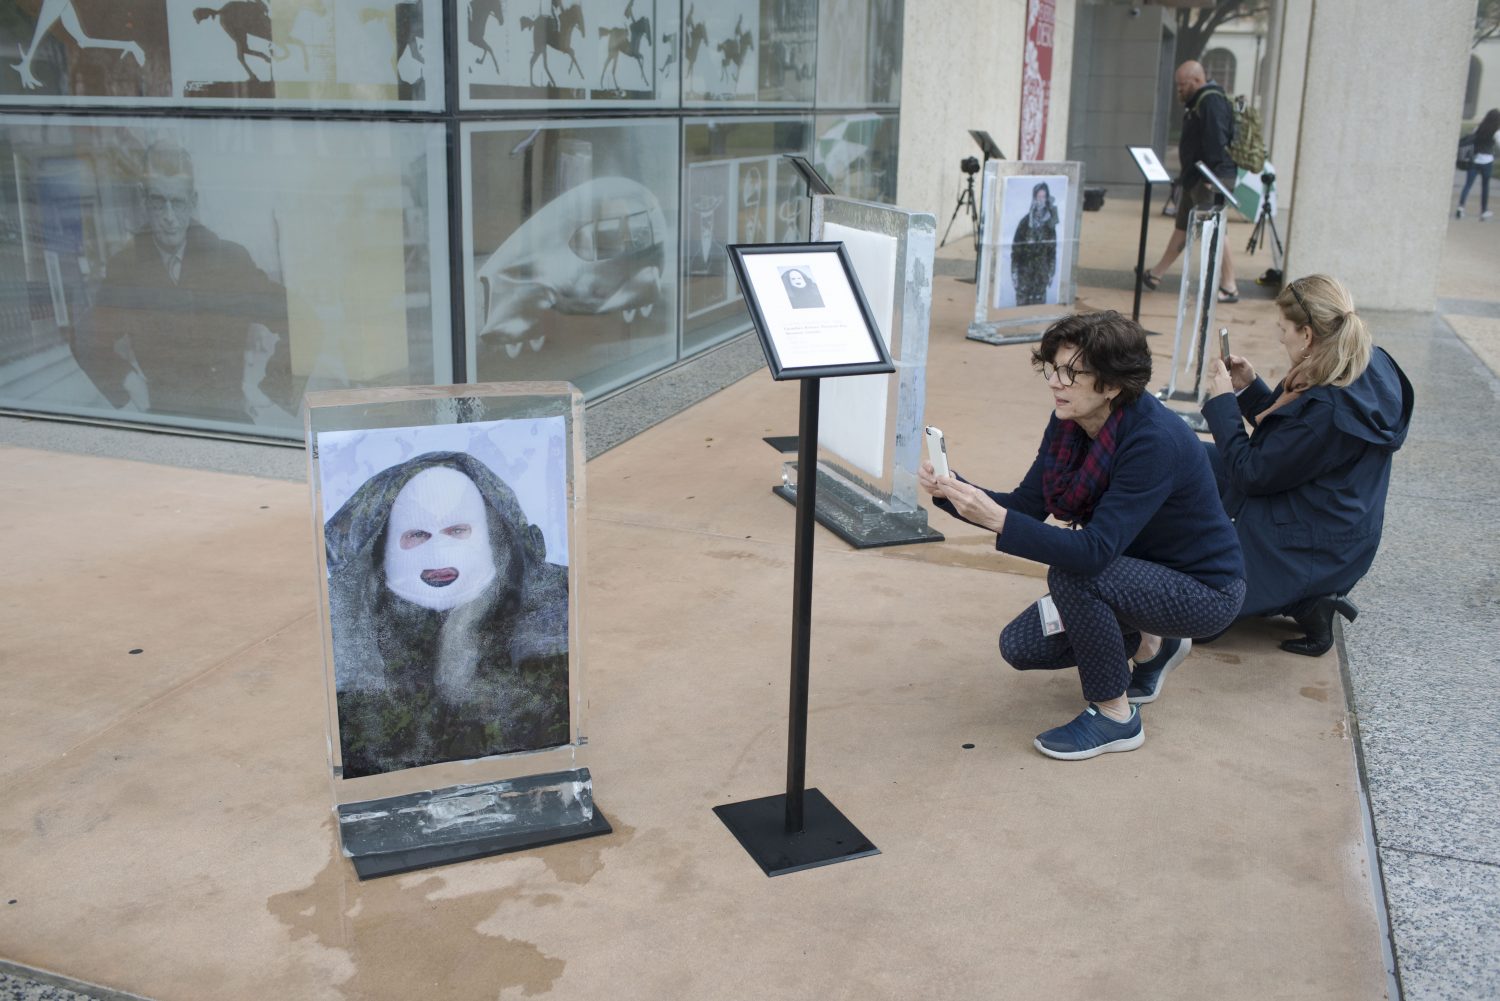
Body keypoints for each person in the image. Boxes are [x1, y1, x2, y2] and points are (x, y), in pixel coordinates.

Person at [920, 311, 1245, 760]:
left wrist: (996, 520)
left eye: (1071, 373)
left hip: (1203, 590)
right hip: (1133, 573)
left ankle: (1116, 716)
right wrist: (956, 492)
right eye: (1053, 368)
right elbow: (1027, 506)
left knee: (1074, 575)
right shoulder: (1070, 421)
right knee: (1020, 646)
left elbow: (1092, 553)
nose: (1056, 382)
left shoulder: (1153, 440)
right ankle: (1154, 647)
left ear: (1112, 384)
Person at [1192, 274, 1413, 656]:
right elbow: (1293, 445)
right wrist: (1249, 389)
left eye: (1284, 330)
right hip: (1330, 521)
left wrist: (1224, 402)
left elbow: (1253, 472)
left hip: (1311, 540)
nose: (1281, 338)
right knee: (1188, 457)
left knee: (1194, 618)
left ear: (1308, 335)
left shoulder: (1329, 408)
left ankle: (1304, 597)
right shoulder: (1361, 358)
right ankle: (1306, 599)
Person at [324, 451, 571, 778]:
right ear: (385, 544)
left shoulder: (548, 605)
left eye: (456, 530)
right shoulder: (350, 621)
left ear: (489, 533)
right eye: (417, 534)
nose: (438, 552)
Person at [72, 141, 296, 426]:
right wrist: (132, 384)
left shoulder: (230, 261)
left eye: (177, 203)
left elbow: (299, 320)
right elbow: (84, 338)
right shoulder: (127, 269)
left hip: (228, 423)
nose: (168, 217)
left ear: (193, 202)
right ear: (144, 200)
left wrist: (273, 389)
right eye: (158, 201)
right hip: (165, 423)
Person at [1140, 61, 1240, 303]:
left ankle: (1229, 286)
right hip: (1196, 176)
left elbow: (1216, 139)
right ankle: (1156, 274)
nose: (1179, 90)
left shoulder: (1211, 101)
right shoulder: (1199, 101)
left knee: (1216, 229)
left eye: (1182, 85)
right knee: (1184, 226)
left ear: (1196, 81)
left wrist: (1211, 178)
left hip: (1209, 177)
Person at [1010, 181, 1059, 306]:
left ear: (1047, 198)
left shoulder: (1050, 225)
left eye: (1043, 197)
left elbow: (1052, 251)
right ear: (1034, 198)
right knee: (1020, 309)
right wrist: (1014, 273)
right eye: (1038, 197)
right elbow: (1015, 251)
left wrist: (1051, 273)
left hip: (1041, 277)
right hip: (1024, 277)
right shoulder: (1024, 223)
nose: (1041, 200)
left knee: (1037, 311)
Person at [1457, 108, 1498, 221]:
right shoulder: (1496, 131)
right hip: (1487, 161)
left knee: (1468, 185)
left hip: (1474, 160)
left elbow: (1471, 139)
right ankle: (1484, 210)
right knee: (1485, 186)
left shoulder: (1479, 128)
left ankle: (1461, 207)